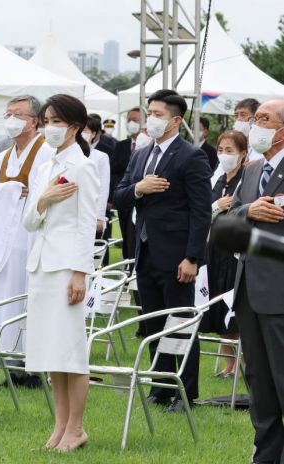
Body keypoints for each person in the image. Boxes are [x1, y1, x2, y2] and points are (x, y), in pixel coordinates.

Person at [113, 89, 212, 412]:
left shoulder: (190, 156)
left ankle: (186, 391)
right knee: (153, 322)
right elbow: (121, 195)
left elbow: (201, 211)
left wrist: (192, 257)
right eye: (149, 112)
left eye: (157, 114)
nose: (150, 119)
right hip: (145, 250)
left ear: (175, 120)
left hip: (177, 254)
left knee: (180, 322)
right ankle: (161, 386)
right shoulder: (142, 154)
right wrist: (139, 189)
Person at [23, 94, 99, 452]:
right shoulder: (43, 166)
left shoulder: (83, 167)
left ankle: (77, 428)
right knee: (51, 350)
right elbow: (29, 220)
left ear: (75, 127)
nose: (50, 128)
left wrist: (81, 272)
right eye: (46, 121)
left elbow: (87, 224)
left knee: (70, 349)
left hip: (67, 266)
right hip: (41, 263)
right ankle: (60, 424)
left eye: (57, 122)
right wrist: (44, 199)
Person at [0, 95, 54, 387]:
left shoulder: (46, 152)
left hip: (32, 236)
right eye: (8, 113)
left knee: (28, 297)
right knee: (4, 299)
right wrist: (10, 189)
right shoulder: (5, 154)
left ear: (34, 121)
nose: (11, 119)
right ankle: (10, 363)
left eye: (18, 114)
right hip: (5, 239)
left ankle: (33, 366)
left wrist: (14, 191)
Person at [228, 98, 284, 464]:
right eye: (256, 118)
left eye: (264, 119)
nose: (256, 125)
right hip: (248, 291)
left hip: (280, 291)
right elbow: (226, 221)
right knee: (260, 383)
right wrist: (248, 210)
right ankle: (265, 454)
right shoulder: (250, 171)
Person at [200, 130, 246, 377]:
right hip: (214, 251)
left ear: (242, 154)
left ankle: (246, 363)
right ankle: (229, 364)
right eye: (221, 150)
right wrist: (216, 207)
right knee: (219, 309)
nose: (224, 155)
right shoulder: (216, 181)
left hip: (235, 253)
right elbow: (202, 215)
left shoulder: (246, 180)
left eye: (230, 151)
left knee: (236, 311)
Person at [114, 108, 142, 263]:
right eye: (129, 119)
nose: (132, 123)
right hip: (125, 195)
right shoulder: (122, 145)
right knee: (126, 233)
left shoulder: (148, 146)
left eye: (136, 120)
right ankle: (127, 260)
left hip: (140, 197)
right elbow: (115, 167)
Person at [83, 115, 111, 236]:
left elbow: (103, 187)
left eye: (85, 131)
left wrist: (99, 217)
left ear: (93, 134)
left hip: (91, 210)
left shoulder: (100, 157)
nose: (81, 134)